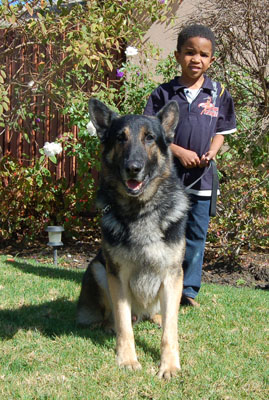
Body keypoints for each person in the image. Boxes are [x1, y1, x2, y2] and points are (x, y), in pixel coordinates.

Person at [144, 24, 236, 306]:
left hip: (202, 179)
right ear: (177, 56)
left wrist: (211, 151)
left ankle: (188, 292)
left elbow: (222, 130)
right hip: (167, 181)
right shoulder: (163, 94)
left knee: (196, 235)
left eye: (203, 55)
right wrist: (179, 152)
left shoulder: (218, 94)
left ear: (212, 60)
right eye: (189, 52)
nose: (196, 59)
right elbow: (150, 134)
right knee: (163, 234)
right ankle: (156, 288)